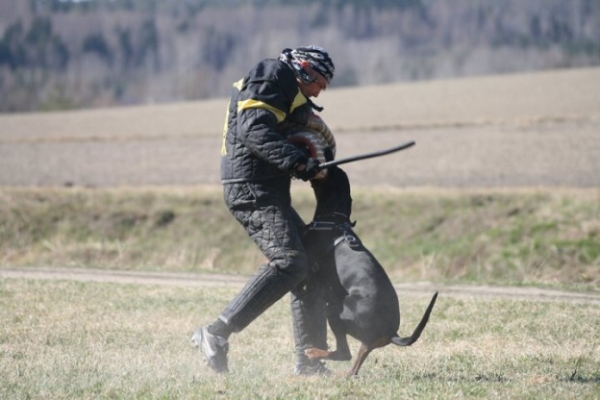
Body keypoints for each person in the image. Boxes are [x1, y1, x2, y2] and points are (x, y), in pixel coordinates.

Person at [191, 46, 336, 375]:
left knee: (311, 265)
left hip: (267, 187)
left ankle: (310, 365)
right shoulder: (271, 77)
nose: (320, 91)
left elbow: (285, 122)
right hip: (249, 187)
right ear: (304, 70)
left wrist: (315, 134)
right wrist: (298, 161)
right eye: (320, 83)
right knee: (291, 261)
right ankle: (215, 334)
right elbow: (254, 130)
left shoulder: (284, 88)